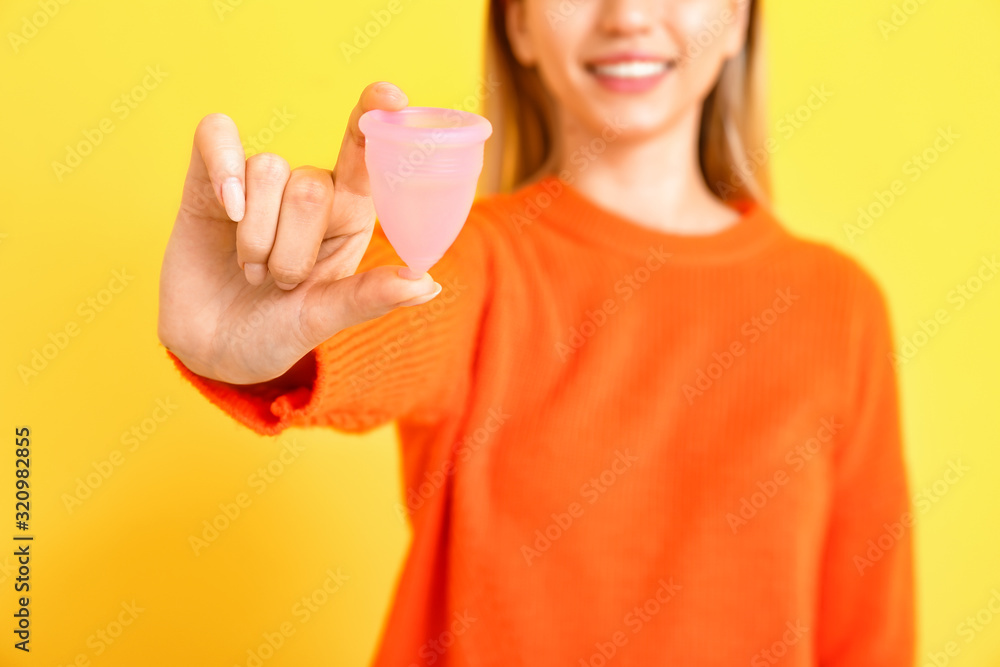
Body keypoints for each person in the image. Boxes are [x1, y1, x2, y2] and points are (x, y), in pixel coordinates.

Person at [157, 0, 915, 664]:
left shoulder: (838, 306)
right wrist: (275, 337)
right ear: (516, 21)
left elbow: (868, 631)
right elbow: (389, 320)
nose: (626, 14)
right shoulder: (472, 260)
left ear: (740, 18)